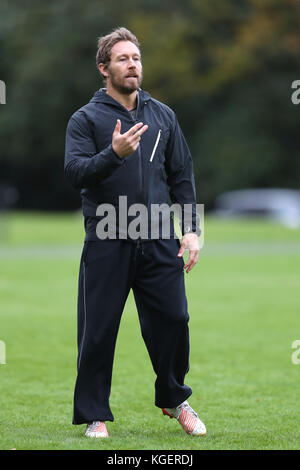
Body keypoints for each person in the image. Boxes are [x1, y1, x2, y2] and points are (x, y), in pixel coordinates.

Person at [64, 27, 206, 438]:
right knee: (98, 328)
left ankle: (173, 398)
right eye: (123, 58)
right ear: (103, 68)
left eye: (136, 58)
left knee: (175, 319)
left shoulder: (163, 115)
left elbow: (182, 176)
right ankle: (95, 415)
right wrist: (113, 154)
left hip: (160, 238)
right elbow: (75, 172)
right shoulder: (85, 119)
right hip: (107, 238)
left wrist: (192, 231)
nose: (132, 64)